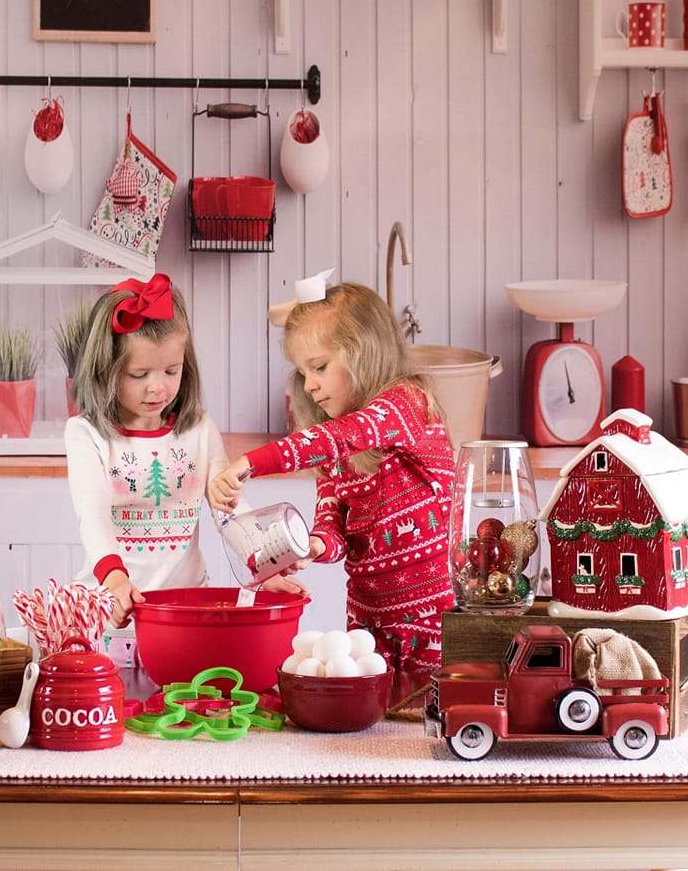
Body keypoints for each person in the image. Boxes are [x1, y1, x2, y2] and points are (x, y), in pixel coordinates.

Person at [208, 282, 454, 708]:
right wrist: (313, 546)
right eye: (303, 373)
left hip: (433, 617)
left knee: (427, 727)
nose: (309, 385)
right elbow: (334, 526)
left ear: (363, 351)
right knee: (374, 730)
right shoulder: (336, 453)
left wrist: (250, 463)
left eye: (319, 366)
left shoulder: (408, 404)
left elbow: (344, 435)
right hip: (365, 620)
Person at [67, 273, 306, 628]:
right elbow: (94, 515)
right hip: (112, 606)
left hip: (185, 609)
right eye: (139, 374)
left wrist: (263, 566)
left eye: (170, 370)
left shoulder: (198, 429)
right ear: (105, 370)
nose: (157, 387)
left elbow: (230, 507)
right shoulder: (86, 434)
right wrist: (114, 579)